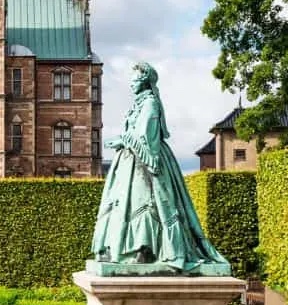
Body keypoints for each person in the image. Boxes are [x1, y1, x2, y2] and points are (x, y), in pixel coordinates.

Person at [90, 62, 229, 274]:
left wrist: (124, 139)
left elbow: (146, 139)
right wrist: (123, 140)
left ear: (145, 80)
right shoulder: (139, 104)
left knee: (146, 203)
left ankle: (145, 250)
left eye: (135, 79)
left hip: (146, 163)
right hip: (131, 162)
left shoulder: (150, 104)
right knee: (124, 203)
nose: (131, 83)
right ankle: (129, 250)